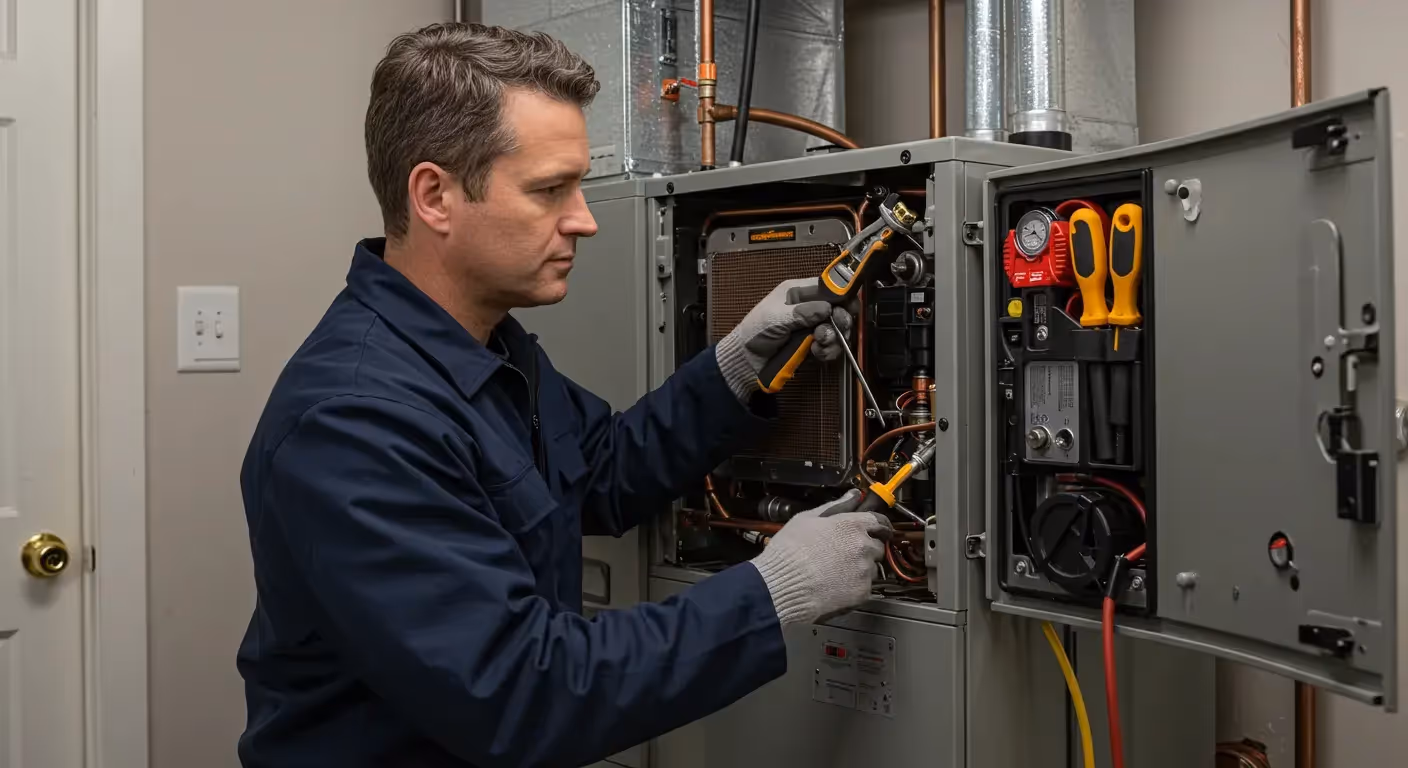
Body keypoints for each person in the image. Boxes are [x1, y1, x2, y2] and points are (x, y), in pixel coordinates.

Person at [236, 21, 892, 768]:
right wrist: (774, 590)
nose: (583, 219)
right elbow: (521, 692)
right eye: (550, 190)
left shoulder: (486, 350)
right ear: (434, 196)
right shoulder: (354, 422)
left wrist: (735, 368)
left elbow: (604, 468)